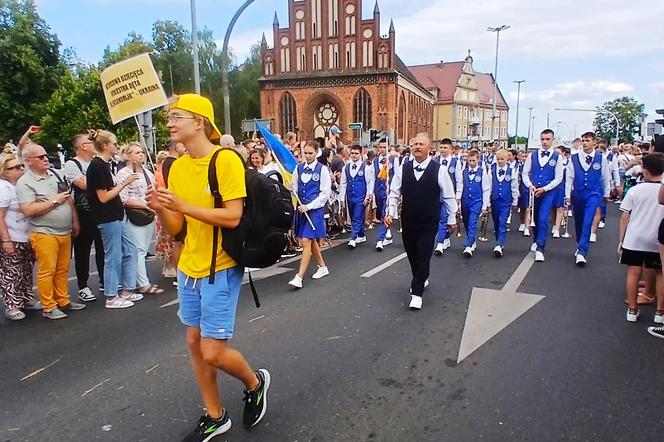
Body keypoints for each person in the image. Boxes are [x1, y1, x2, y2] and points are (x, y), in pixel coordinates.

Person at [148, 93, 270, 439]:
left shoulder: (225, 160)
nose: (170, 123)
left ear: (199, 122)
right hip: (190, 268)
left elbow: (232, 217)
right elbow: (178, 228)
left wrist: (182, 204)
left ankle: (254, 382)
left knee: (212, 351)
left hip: (221, 266)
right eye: (170, 117)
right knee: (193, 343)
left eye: (177, 117)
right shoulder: (178, 166)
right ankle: (215, 414)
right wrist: (159, 207)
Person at [386, 133, 457, 310]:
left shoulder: (439, 170)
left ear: (429, 149)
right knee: (412, 253)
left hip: (429, 220)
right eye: (415, 143)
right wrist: (390, 212)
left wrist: (451, 218)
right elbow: (394, 192)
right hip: (408, 219)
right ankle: (421, 276)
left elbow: (448, 196)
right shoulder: (404, 168)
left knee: (424, 252)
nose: (417, 146)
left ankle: (417, 292)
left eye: (421, 144)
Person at [16, 143, 86, 319]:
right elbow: (28, 210)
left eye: (46, 155)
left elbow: (68, 199)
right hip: (43, 232)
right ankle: (48, 306)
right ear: (29, 161)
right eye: (40, 157)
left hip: (64, 230)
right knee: (47, 270)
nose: (46, 159)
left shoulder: (54, 174)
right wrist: (54, 202)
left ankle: (63, 300)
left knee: (63, 269)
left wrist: (75, 220)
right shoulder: (25, 182)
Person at [86, 130, 142, 309]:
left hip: (116, 215)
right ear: (105, 146)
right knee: (114, 255)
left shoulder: (105, 165)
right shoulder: (97, 166)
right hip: (107, 217)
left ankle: (127, 289)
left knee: (130, 250)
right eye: (114, 143)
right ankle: (111, 295)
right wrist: (124, 183)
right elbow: (103, 197)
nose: (117, 146)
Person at [618, 152, 664, 323]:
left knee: (634, 273)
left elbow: (625, 217)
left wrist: (621, 240)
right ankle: (660, 312)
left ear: (645, 171)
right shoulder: (662, 191)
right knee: (660, 273)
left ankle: (632, 309)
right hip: (657, 238)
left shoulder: (635, 190)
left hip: (635, 237)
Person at [116, 142, 163, 295]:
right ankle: (142, 283)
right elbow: (123, 198)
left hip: (148, 214)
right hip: (135, 215)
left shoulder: (147, 173)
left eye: (142, 152)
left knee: (142, 248)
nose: (141, 155)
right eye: (137, 152)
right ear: (128, 156)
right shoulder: (123, 174)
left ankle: (138, 281)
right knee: (138, 250)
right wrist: (144, 205)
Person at [64, 134, 105, 302]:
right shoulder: (72, 164)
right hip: (83, 212)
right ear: (83, 146)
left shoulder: (97, 161)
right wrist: (100, 180)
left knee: (103, 248)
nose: (94, 145)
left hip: (100, 211)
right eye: (91, 142)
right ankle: (83, 285)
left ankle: (104, 280)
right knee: (83, 250)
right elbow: (83, 184)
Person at [0, 154, 41, 320]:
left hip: (27, 236)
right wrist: (6, 240)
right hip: (12, 236)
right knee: (11, 272)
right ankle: (12, 306)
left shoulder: (21, 185)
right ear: (4, 171)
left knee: (25, 270)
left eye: (21, 166)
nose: (20, 170)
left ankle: (26, 298)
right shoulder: (3, 188)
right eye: (14, 168)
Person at [288, 140, 331, 288]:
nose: (307, 156)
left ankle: (299, 277)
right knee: (311, 241)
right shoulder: (298, 168)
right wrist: (290, 188)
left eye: (310, 153)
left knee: (306, 241)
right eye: (305, 153)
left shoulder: (322, 170)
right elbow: (295, 187)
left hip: (315, 211)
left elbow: (325, 194)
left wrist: (310, 206)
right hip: (301, 210)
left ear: (316, 153)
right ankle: (323, 267)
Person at [565, 132, 611, 266]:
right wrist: (567, 195)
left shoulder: (600, 158)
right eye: (583, 140)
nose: (584, 143)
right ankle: (580, 242)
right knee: (578, 221)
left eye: (587, 140)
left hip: (593, 193)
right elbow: (569, 178)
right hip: (578, 194)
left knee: (587, 221)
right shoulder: (574, 158)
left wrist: (606, 193)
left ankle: (582, 252)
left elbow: (605, 177)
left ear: (594, 142)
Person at [521, 129, 564, 262]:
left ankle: (540, 248)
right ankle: (535, 239)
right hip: (534, 192)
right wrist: (529, 185)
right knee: (534, 218)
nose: (545, 142)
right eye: (543, 139)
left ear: (553, 140)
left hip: (548, 193)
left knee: (543, 218)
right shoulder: (532, 155)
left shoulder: (557, 157)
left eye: (548, 139)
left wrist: (545, 189)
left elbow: (558, 178)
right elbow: (525, 173)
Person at [339, 145, 374, 249]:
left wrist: (368, 196)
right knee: (354, 215)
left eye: (356, 153)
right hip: (350, 197)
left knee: (357, 217)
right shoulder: (346, 167)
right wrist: (342, 198)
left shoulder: (366, 168)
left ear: (360, 154)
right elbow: (343, 183)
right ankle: (361, 235)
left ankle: (353, 238)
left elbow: (369, 183)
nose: (354, 155)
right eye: (352, 153)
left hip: (361, 197)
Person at [457, 150, 491, 258]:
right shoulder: (464, 172)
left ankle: (468, 246)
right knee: (466, 222)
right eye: (469, 160)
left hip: (476, 201)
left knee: (472, 222)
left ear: (478, 160)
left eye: (473, 160)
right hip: (465, 200)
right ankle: (471, 240)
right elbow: (461, 186)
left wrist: (484, 205)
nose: (471, 163)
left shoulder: (482, 172)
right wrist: (458, 199)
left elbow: (486, 189)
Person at [434, 138, 462, 255]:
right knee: (438, 219)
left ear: (451, 150)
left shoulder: (456, 162)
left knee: (444, 218)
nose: (443, 150)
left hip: (449, 196)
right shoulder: (435, 161)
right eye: (441, 148)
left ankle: (439, 243)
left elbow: (459, 180)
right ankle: (445, 238)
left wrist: (458, 196)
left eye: (445, 148)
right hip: (436, 195)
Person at [490, 150, 518, 257]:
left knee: (502, 221)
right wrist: (488, 201)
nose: (500, 161)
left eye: (502, 159)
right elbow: (489, 185)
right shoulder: (492, 169)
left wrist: (515, 201)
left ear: (507, 159)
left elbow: (514, 186)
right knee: (496, 221)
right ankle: (498, 239)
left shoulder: (512, 170)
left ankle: (499, 244)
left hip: (506, 201)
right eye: (498, 159)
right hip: (495, 200)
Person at [372, 139, 395, 251]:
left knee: (385, 213)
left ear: (388, 147)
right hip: (378, 190)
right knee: (381, 212)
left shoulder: (393, 160)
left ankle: (380, 239)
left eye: (384, 147)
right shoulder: (375, 160)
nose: (382, 149)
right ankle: (387, 230)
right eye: (380, 147)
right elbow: (372, 176)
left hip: (388, 190)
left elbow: (396, 176)